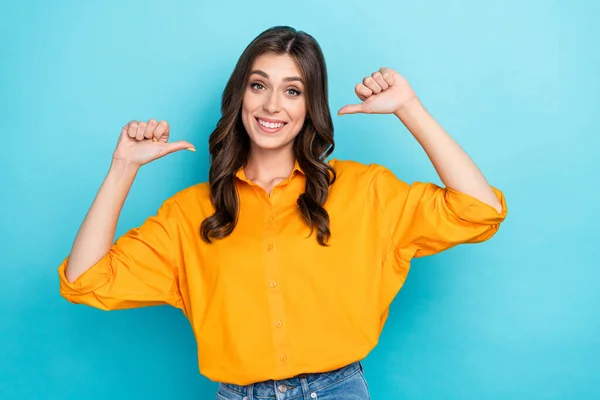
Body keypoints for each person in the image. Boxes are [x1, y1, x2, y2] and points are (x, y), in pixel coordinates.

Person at [58, 26, 507, 399]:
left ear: (310, 105)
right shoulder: (188, 214)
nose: (273, 106)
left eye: (293, 90)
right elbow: (84, 281)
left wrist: (409, 108)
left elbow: (479, 211)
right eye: (259, 86)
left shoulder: (365, 191)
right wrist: (122, 169)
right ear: (241, 95)